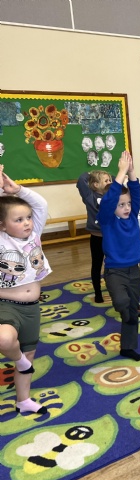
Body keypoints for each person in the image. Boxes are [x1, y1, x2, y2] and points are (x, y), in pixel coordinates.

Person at [0, 164, 52, 414]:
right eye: (19, 220)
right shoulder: (2, 239)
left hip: (32, 307)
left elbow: (41, 204)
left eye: (28, 218)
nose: (27, 223)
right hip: (6, 304)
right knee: (4, 339)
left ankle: (23, 400)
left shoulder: (34, 234)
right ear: (2, 225)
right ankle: (18, 360)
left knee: (29, 353)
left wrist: (17, 190)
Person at [98, 151, 140, 361]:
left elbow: (135, 193)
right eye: (121, 205)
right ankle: (126, 313)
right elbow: (109, 201)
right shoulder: (107, 220)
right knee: (122, 302)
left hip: (134, 270)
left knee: (132, 311)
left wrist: (131, 172)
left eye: (128, 204)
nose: (126, 208)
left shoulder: (132, 215)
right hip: (115, 271)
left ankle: (128, 347)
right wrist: (121, 172)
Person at [77, 169, 113, 303]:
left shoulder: (112, 196)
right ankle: (98, 293)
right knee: (96, 265)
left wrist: (107, 176)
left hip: (111, 237)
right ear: (96, 185)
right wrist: (92, 172)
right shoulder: (89, 196)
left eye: (110, 180)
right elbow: (82, 179)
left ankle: (113, 288)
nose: (109, 182)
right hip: (97, 237)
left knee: (111, 264)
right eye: (106, 181)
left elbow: (117, 179)